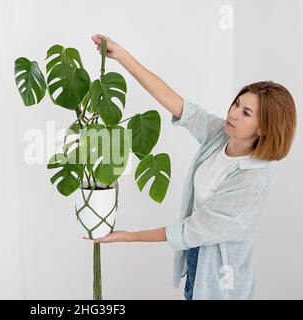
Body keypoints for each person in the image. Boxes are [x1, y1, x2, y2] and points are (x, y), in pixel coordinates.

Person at [90, 34, 297, 300]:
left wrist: (127, 237)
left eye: (246, 113)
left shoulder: (251, 180)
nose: (233, 113)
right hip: (196, 262)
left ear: (264, 128)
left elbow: (190, 231)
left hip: (221, 285)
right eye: (237, 103)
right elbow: (178, 104)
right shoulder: (221, 135)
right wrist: (122, 56)